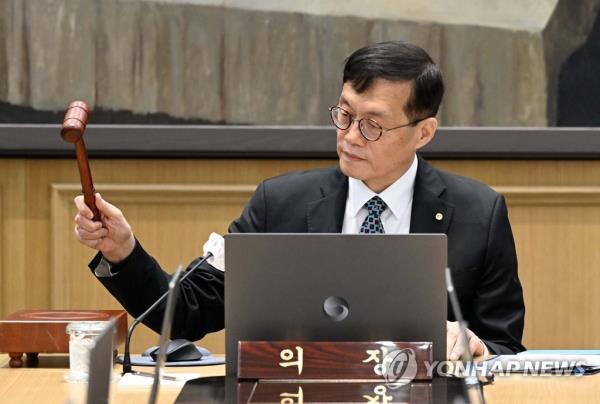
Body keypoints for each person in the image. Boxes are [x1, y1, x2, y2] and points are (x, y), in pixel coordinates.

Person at [74, 41, 525, 359]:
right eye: (344, 114)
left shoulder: (477, 214)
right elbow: (188, 313)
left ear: (422, 132)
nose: (349, 137)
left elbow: (506, 347)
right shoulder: (280, 204)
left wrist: (477, 345)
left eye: (371, 124)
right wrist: (123, 251)